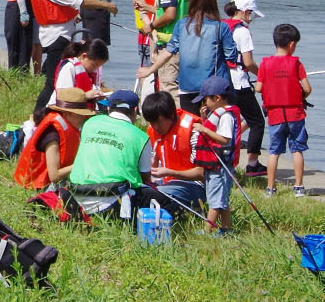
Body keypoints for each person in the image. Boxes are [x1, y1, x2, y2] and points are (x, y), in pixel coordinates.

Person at [28, 0, 119, 124]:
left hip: (63, 32)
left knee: (60, 77)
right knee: (52, 83)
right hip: (56, 37)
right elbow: (78, 0)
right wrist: (106, 5)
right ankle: (37, 119)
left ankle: (56, 114)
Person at [66, 90, 167, 225]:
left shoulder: (89, 123)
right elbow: (145, 179)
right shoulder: (141, 137)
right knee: (163, 200)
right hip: (112, 202)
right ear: (135, 110)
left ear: (109, 108)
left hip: (75, 197)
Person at [137, 0, 236, 114]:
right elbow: (231, 56)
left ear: (192, 1)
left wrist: (150, 70)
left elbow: (168, 52)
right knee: (218, 124)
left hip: (187, 85)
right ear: (213, 3)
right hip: (214, 88)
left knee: (190, 126)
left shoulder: (182, 24)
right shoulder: (221, 27)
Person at [259, 23, 311, 197]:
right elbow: (308, 88)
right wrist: (300, 95)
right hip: (295, 114)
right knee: (297, 149)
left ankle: (270, 188)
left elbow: (258, 88)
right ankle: (298, 187)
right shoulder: (296, 64)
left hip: (275, 115)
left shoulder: (265, 64)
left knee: (274, 151)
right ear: (291, 44)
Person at [133, 0, 190, 95]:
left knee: (168, 87)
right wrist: (146, 7)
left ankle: (175, 117)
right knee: (180, 86)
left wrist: (151, 25)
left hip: (170, 41)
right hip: (185, 39)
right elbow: (173, 10)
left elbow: (170, 14)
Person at [13, 88, 96, 189]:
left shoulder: (68, 125)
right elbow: (54, 176)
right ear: (66, 113)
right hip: (36, 185)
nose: (84, 118)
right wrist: (82, 163)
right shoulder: (52, 134)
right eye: (80, 115)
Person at [140, 90, 207, 214]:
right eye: (151, 122)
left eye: (158, 122)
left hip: (195, 186)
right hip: (164, 183)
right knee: (137, 191)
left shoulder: (194, 130)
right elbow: (153, 163)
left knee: (154, 195)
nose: (154, 127)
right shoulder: (152, 131)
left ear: (171, 116)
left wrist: (170, 172)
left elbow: (202, 172)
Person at [223, 0, 267, 178]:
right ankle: (252, 164)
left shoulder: (222, 26)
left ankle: (227, 152)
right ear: (244, 11)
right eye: (251, 14)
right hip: (239, 82)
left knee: (229, 119)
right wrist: (264, 77)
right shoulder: (242, 32)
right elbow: (248, 62)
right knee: (257, 121)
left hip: (223, 79)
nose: (252, 18)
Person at [191, 76, 242, 233]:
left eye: (206, 99)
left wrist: (204, 129)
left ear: (217, 98)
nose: (205, 103)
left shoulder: (226, 116)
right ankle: (227, 229)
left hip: (220, 165)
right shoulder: (218, 113)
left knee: (215, 201)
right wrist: (205, 119)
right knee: (222, 200)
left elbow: (225, 139)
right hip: (215, 165)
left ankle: (207, 231)